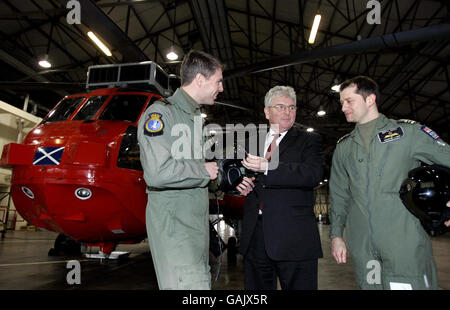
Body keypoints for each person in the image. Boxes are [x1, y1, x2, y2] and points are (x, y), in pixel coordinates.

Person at [329, 76, 450, 290]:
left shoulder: (408, 133)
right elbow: (339, 194)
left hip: (403, 241)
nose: (343, 108)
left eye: (349, 101)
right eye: (341, 103)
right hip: (363, 245)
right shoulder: (344, 148)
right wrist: (337, 235)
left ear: (370, 100)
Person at [137, 50, 223, 289]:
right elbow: (157, 172)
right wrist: (204, 171)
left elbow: (197, 168)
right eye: (218, 81)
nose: (221, 88)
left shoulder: (194, 120)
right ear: (199, 80)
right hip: (176, 230)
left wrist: (222, 178)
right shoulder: (162, 114)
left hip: (193, 229)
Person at [236, 85, 324, 290]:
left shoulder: (309, 140)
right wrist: (240, 185)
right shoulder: (250, 142)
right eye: (281, 106)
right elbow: (240, 176)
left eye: (292, 107)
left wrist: (268, 166)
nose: (287, 112)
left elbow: (312, 174)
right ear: (266, 111)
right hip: (255, 237)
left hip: (294, 239)